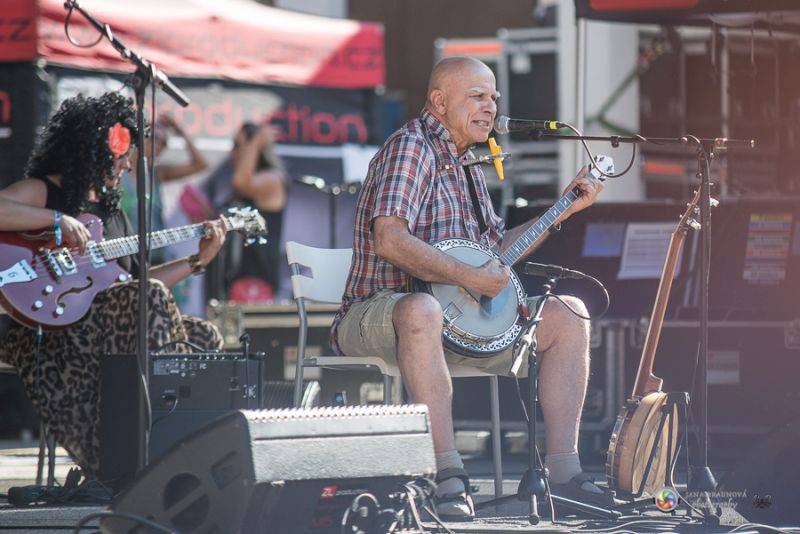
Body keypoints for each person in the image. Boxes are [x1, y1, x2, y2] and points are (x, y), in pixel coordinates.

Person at [330, 57, 610, 520]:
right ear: (439, 101)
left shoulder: (468, 164)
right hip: (378, 315)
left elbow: (495, 253)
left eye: (494, 97)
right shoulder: (412, 149)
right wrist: (469, 278)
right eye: (477, 96)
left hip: (455, 324)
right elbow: (390, 238)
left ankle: (564, 471)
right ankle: (447, 475)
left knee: (569, 312)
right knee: (421, 308)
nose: (491, 107)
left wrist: (564, 209)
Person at [0, 93, 227, 482]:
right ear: (90, 150)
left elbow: (138, 286)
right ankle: (131, 459)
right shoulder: (45, 191)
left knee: (203, 335)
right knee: (148, 302)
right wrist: (56, 220)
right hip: (47, 329)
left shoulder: (113, 213)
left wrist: (197, 261)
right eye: (120, 155)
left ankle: (179, 454)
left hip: (107, 330)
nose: (127, 164)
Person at [205, 122, 287, 300]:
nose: (232, 152)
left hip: (255, 282)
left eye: (238, 145)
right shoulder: (242, 188)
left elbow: (241, 182)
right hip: (229, 281)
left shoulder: (272, 179)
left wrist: (256, 142)